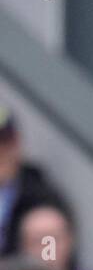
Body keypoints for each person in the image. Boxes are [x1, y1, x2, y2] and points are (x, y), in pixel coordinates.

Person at [0, 104, 70, 256]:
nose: (1, 152)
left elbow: (49, 257)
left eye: (4, 142)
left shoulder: (43, 198)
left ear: (16, 143)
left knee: (46, 224)